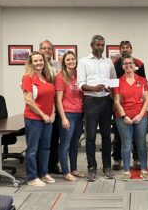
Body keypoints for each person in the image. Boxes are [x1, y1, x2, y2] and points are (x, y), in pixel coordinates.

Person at [77, 35, 117, 182]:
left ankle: (107, 167)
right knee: (91, 136)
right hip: (91, 101)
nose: (100, 47)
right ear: (91, 45)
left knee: (106, 136)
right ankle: (91, 168)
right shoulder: (83, 61)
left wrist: (111, 90)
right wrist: (94, 88)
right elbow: (80, 84)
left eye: (102, 45)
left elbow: (113, 81)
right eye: (97, 45)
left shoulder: (109, 62)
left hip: (106, 102)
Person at [114, 54, 148, 181]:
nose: (128, 65)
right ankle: (126, 171)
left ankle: (144, 170)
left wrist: (140, 115)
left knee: (141, 144)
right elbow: (117, 102)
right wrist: (124, 116)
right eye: (126, 63)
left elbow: (147, 100)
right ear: (123, 66)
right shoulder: (118, 81)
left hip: (141, 117)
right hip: (123, 117)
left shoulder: (142, 80)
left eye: (131, 63)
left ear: (135, 65)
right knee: (127, 144)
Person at [22, 51, 56, 186]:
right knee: (32, 150)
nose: (38, 63)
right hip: (34, 118)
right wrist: (43, 115)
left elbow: (51, 98)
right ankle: (32, 177)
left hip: (48, 119)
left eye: (40, 60)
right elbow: (29, 101)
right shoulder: (28, 78)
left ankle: (43, 173)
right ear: (31, 63)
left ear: (44, 61)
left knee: (45, 148)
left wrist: (53, 113)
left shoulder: (47, 77)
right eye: (35, 61)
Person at [55, 51, 85, 182]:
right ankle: (66, 171)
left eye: (72, 59)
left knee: (74, 144)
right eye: (68, 60)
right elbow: (58, 100)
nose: (71, 61)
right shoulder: (60, 77)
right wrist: (63, 118)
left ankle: (74, 169)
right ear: (64, 62)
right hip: (67, 113)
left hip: (79, 114)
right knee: (65, 144)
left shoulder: (80, 75)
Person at [39, 40, 61, 174]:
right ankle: (41, 167)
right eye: (44, 48)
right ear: (40, 50)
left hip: (55, 107)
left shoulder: (56, 65)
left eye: (49, 48)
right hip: (41, 107)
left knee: (54, 138)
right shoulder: (35, 66)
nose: (47, 50)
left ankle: (52, 165)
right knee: (41, 140)